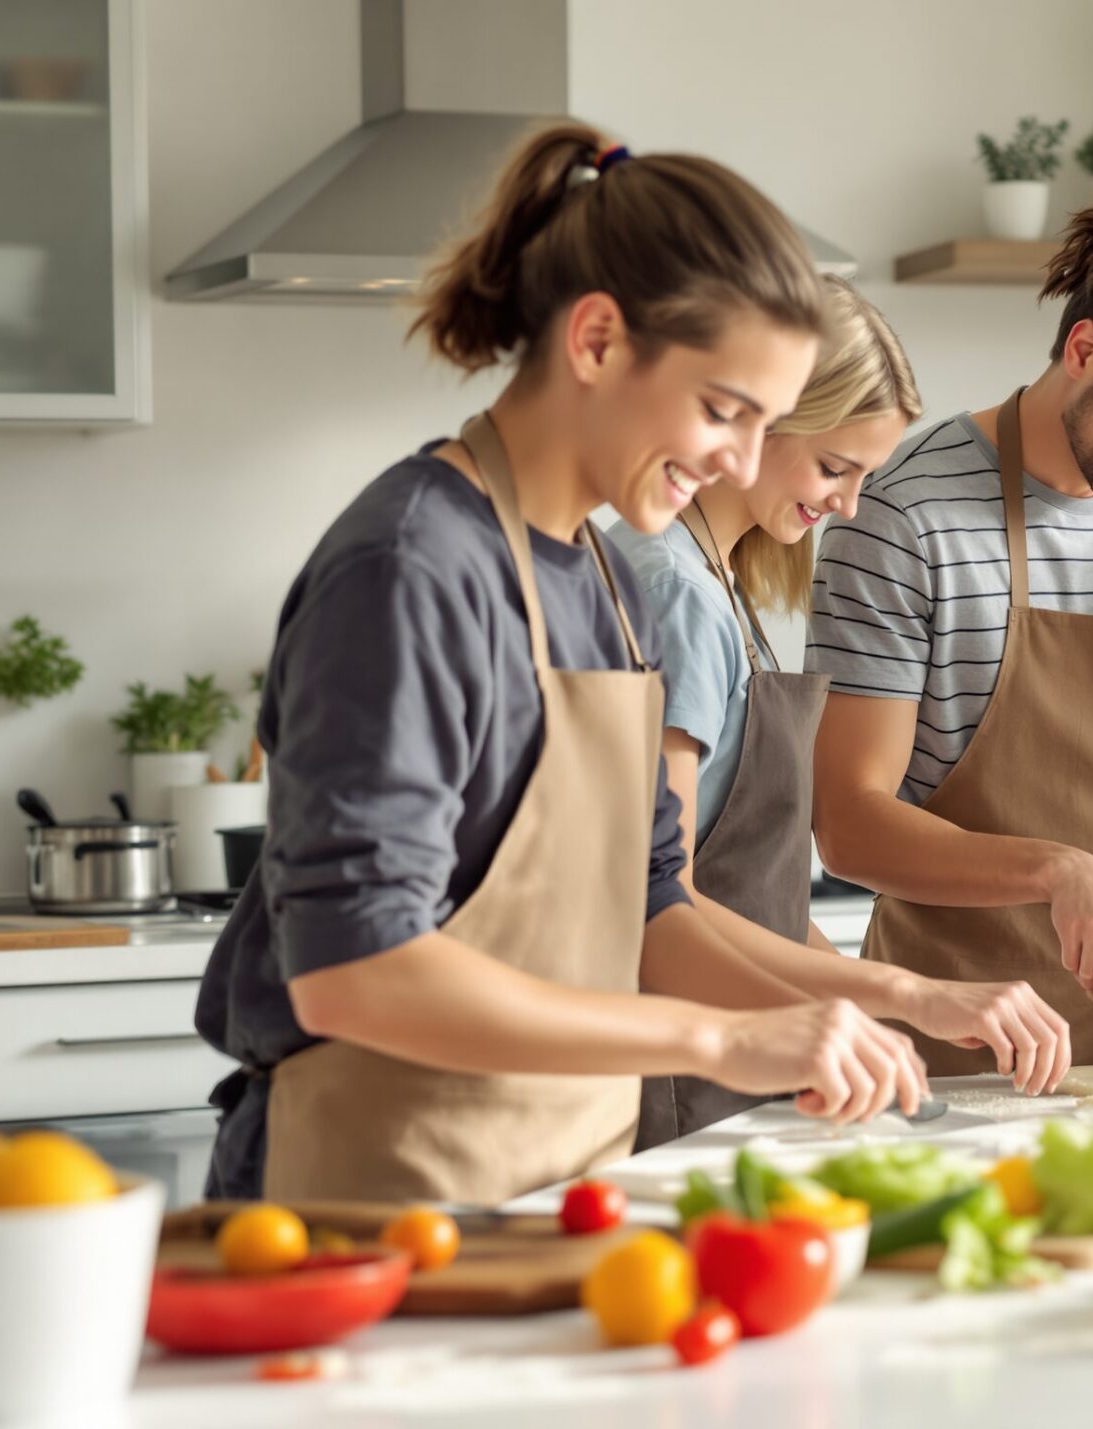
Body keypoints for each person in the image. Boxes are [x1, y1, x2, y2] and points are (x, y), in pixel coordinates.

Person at [195, 124, 926, 1204]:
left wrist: (825, 1016)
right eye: (722, 410)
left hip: (552, 1179)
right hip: (367, 1193)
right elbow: (354, 970)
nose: (737, 458)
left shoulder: (606, 583)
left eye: (762, 424)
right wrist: (718, 1040)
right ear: (596, 341)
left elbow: (653, 903)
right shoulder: (412, 567)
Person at [808, 177, 1093, 1076]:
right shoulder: (904, 518)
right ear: (1083, 348)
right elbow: (849, 823)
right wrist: (1057, 868)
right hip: (941, 1051)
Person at [610, 281, 1072, 1147]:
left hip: (732, 1060)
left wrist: (890, 1013)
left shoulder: (717, 581)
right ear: (759, 423)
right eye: (834, 468)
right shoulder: (674, 594)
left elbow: (759, 897)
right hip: (678, 1070)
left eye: (864, 476)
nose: (848, 506)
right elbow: (657, 897)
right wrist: (906, 993)